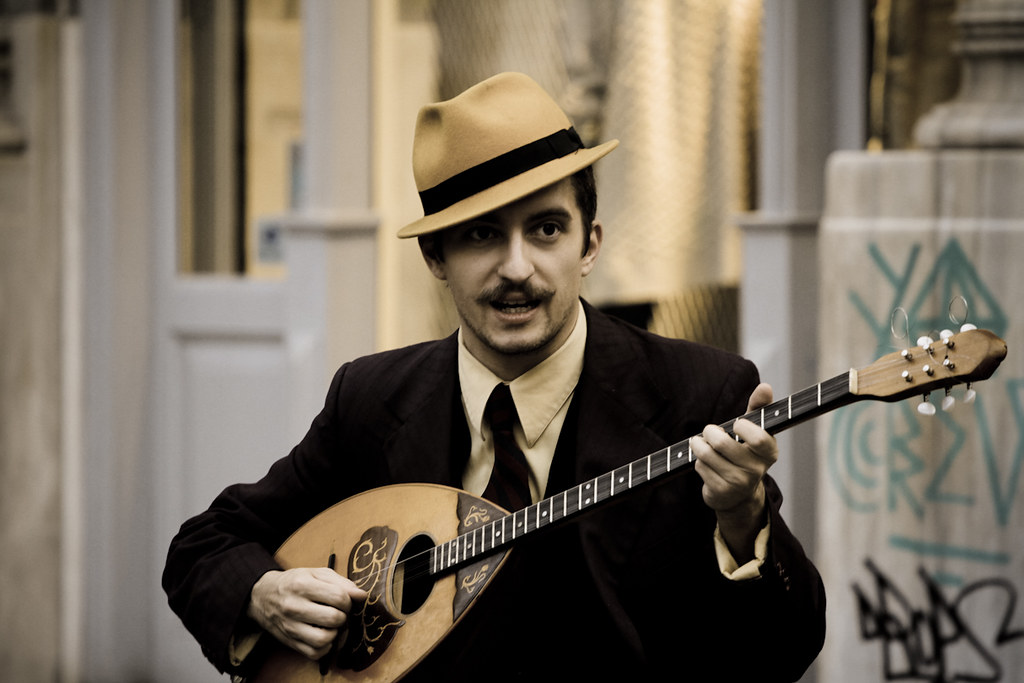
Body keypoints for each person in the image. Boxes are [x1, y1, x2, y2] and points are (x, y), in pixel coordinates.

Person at [163, 72, 825, 682]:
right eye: (482, 235)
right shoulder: (370, 400)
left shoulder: (697, 395)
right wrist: (263, 594)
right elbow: (204, 545)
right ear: (436, 256)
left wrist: (745, 520)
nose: (517, 267)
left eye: (545, 229)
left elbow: (785, 647)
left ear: (588, 244)